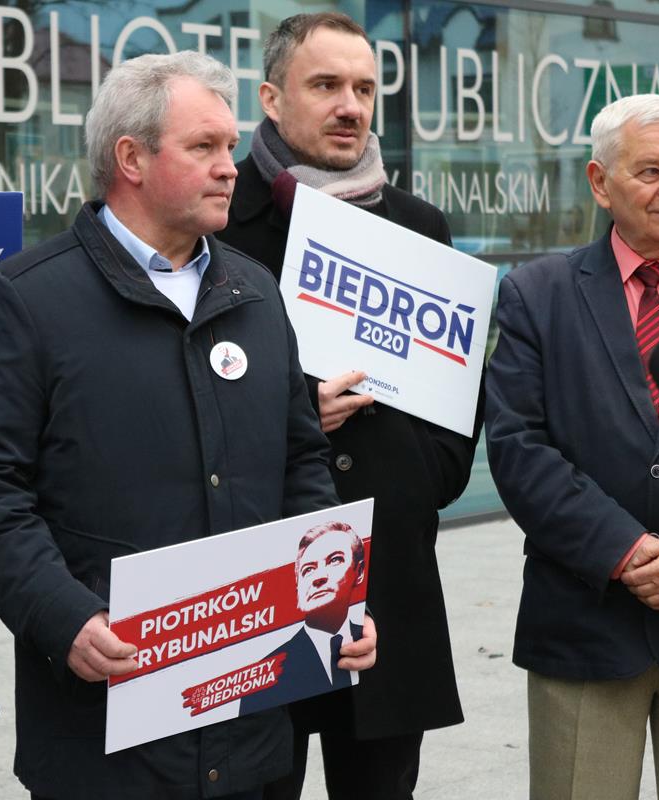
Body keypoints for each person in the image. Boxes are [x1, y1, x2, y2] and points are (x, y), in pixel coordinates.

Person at [0, 50, 377, 800]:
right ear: (131, 159)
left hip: (251, 727)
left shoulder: (255, 292)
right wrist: (64, 617)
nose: (229, 167)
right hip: (104, 730)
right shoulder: (27, 300)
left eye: (229, 146)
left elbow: (301, 461)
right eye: (203, 147)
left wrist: (338, 600)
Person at [217, 13, 479, 800]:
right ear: (271, 98)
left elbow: (458, 411)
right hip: (255, 577)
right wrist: (299, 413)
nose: (350, 106)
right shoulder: (218, 219)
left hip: (391, 581)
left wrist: (418, 484)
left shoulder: (421, 227)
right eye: (326, 85)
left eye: (364, 88)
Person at [486, 93, 659, 799]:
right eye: (652, 171)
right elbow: (517, 446)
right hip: (586, 626)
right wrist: (623, 550)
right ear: (601, 182)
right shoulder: (536, 294)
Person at [240, 522, 366, 716]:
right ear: (297, 585)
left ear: (359, 571)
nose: (319, 577)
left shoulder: (367, 637)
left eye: (334, 560)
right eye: (308, 569)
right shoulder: (264, 676)